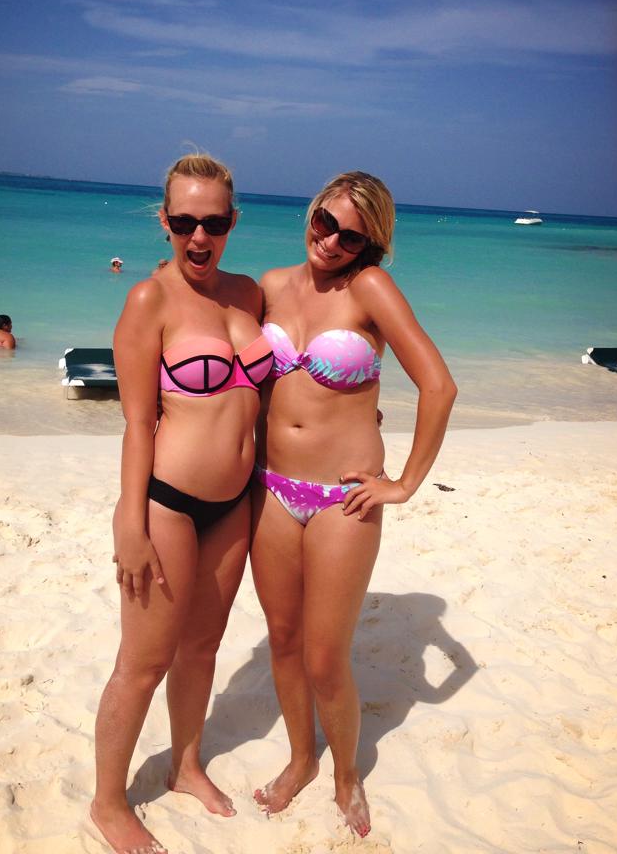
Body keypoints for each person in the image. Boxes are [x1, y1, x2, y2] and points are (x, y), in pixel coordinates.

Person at [251, 171, 457, 837]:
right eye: (326, 223)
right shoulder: (270, 285)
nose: (333, 241)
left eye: (352, 237)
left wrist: (404, 483)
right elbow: (225, 357)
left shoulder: (369, 287)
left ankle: (346, 774)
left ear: (370, 246)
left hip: (343, 500)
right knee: (283, 639)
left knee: (324, 657)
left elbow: (439, 386)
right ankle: (301, 758)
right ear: (312, 212)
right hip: (271, 488)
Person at [89, 155, 273, 854]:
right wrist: (128, 520)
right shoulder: (150, 301)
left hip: (234, 505)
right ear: (165, 221)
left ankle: (185, 765)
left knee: (201, 646)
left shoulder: (247, 294)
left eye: (215, 223)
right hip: (167, 503)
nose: (200, 237)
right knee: (143, 661)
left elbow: (275, 384)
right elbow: (138, 423)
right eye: (186, 221)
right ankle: (108, 803)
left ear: (232, 222)